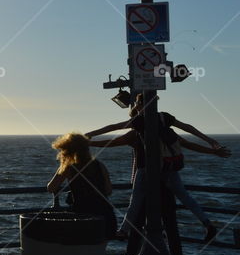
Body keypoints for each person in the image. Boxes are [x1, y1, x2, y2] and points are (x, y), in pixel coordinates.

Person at [87, 95, 230, 244]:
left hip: (148, 167)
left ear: (140, 104)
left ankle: (124, 230)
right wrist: (210, 143)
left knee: (136, 199)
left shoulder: (140, 120)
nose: (136, 106)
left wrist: (89, 136)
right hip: (169, 165)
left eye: (137, 103)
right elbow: (187, 129)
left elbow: (113, 128)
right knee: (184, 196)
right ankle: (207, 223)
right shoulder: (164, 118)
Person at [88, 127, 229, 255]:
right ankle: (183, 254)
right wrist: (213, 151)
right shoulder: (168, 132)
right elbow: (188, 144)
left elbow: (111, 142)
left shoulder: (137, 132)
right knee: (171, 223)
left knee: (137, 216)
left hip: (148, 186)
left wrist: (89, 142)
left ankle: (126, 243)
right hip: (168, 182)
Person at [47, 132, 117, 239]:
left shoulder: (69, 168)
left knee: (82, 251)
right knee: (98, 251)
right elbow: (108, 191)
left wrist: (63, 164)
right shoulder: (99, 165)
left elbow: (51, 187)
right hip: (105, 215)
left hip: (83, 217)